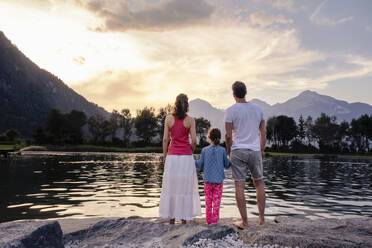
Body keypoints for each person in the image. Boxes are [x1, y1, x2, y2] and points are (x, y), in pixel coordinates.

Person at [225, 81, 267, 229]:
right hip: (255, 151)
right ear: (246, 92)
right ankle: (261, 220)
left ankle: (245, 222)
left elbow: (228, 136)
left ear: (234, 94)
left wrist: (229, 151)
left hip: (238, 151)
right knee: (259, 183)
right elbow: (263, 133)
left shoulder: (231, 110)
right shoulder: (258, 109)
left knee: (239, 186)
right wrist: (261, 150)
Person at [159, 93, 202, 224]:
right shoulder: (191, 120)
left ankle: (171, 220)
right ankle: (184, 220)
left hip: (172, 157)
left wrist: (165, 155)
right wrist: (190, 151)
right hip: (186, 158)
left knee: (171, 186)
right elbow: (194, 141)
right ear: (187, 104)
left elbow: (166, 139)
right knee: (185, 187)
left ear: (175, 104)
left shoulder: (168, 119)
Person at [195, 127, 230, 225]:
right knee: (216, 203)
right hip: (218, 182)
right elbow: (227, 165)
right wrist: (231, 158)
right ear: (219, 137)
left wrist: (190, 160)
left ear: (209, 137)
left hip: (207, 181)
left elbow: (199, 165)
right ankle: (215, 222)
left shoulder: (204, 150)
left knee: (208, 202)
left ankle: (208, 221)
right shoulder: (223, 150)